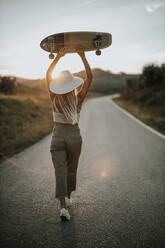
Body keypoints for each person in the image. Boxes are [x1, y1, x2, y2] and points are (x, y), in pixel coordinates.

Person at [46, 46, 93, 221]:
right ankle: (69, 197)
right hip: (74, 137)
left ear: (58, 85)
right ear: (71, 83)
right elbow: (90, 78)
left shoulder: (54, 97)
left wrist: (57, 57)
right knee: (71, 169)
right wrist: (82, 56)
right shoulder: (78, 99)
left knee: (60, 171)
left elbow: (47, 75)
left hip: (57, 136)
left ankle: (63, 208)